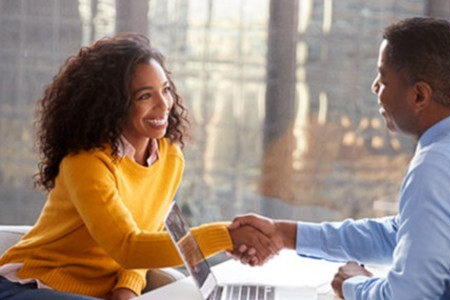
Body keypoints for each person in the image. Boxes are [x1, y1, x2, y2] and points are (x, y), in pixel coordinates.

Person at [230, 17, 450, 299]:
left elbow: (407, 296)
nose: (374, 88)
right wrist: (283, 234)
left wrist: (349, 284)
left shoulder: (438, 166)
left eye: (383, 79)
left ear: (419, 95)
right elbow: (403, 234)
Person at [0, 33, 274, 300]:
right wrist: (227, 236)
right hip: (31, 284)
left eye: (165, 89)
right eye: (145, 96)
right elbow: (129, 247)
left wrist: (126, 290)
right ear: (113, 104)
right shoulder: (86, 163)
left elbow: (146, 238)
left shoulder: (170, 157)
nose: (164, 104)